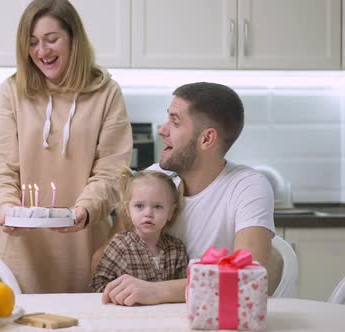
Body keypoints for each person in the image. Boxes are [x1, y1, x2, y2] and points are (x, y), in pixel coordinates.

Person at [0, 0, 132, 293]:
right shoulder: (12, 90)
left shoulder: (106, 92)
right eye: (33, 42)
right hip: (16, 246)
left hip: (84, 244)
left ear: (74, 39)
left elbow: (113, 170)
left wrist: (86, 209)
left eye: (52, 40)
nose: (41, 51)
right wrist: (5, 209)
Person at [98, 82, 275, 306]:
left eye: (175, 121)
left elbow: (249, 278)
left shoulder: (247, 186)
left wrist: (155, 291)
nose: (162, 129)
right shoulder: (153, 179)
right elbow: (101, 260)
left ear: (207, 139)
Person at [89, 168, 188, 292]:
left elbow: (186, 289)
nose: (148, 213)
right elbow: (98, 285)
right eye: (139, 206)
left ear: (171, 212)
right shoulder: (119, 246)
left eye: (157, 206)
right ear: (127, 210)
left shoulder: (177, 249)